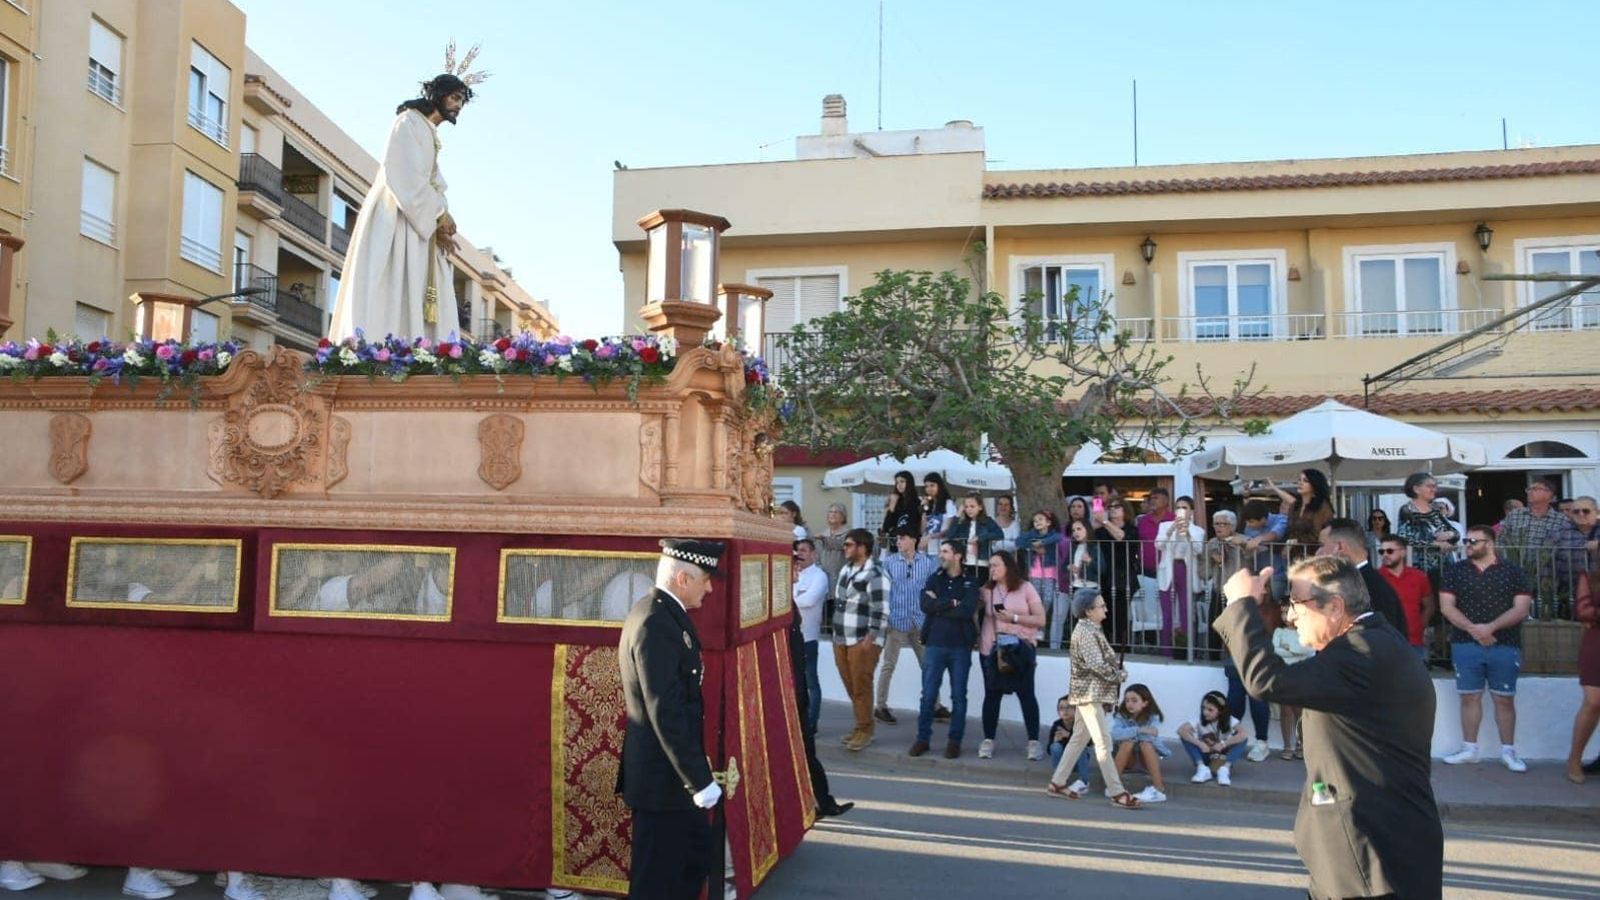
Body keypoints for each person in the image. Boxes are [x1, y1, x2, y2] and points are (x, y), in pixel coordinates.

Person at [1216, 558, 1442, 900]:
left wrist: (1240, 605)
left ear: (1335, 607)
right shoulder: (1371, 642)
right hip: (1364, 853)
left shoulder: (1361, 654)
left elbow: (1266, 680)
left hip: (1372, 857)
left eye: (1298, 605)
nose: (1291, 616)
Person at [329, 71, 476, 342]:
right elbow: (403, 173)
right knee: (392, 282)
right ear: (438, 95)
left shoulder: (428, 131)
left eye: (462, 102)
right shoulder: (407, 122)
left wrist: (442, 216)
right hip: (396, 216)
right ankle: (381, 346)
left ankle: (419, 348)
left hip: (419, 222)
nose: (458, 106)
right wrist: (437, 214)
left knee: (423, 284)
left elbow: (433, 183)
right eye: (455, 98)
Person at [617, 539, 725, 900]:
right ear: (683, 578)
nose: (709, 587)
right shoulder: (655, 622)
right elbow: (665, 711)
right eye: (705, 579)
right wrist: (699, 781)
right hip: (663, 782)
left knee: (690, 864)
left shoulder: (663, 614)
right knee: (656, 882)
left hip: (672, 780)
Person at [1438, 526, 1533, 772]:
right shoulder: (1454, 571)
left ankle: (1508, 751)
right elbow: (1447, 607)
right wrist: (1475, 630)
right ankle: (1469, 748)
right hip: (1465, 643)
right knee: (1469, 696)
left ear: (1489, 544)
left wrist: (1490, 627)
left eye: (1472, 541)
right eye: (1466, 540)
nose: (1467, 544)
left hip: (1505, 644)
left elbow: (1521, 608)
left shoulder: (1513, 572)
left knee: (1504, 699)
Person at [1044, 591, 1143, 809]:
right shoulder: (1087, 633)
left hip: (1088, 693)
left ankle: (1058, 782)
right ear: (1088, 611)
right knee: (1103, 743)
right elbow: (1096, 666)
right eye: (1101, 605)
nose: (1105, 609)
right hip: (1089, 695)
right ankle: (1117, 793)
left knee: (1079, 739)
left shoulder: (1089, 629)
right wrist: (1119, 675)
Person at [785, 564, 854, 819]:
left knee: (807, 752)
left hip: (796, 687)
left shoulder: (786, 601)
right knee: (801, 753)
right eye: (791, 568)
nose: (796, 572)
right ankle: (815, 805)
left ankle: (823, 803)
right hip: (790, 691)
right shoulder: (780, 604)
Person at [911, 540, 981, 759]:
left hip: (960, 646)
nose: (940, 555)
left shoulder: (971, 581)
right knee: (928, 695)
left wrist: (939, 605)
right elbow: (925, 605)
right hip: (935, 643)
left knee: (959, 696)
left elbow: (967, 610)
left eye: (945, 551)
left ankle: (954, 741)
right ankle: (922, 739)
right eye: (940, 550)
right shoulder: (935, 578)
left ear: (958, 555)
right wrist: (951, 603)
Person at [976, 551, 1046, 760]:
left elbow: (1041, 619)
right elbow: (970, 607)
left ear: (1007, 567)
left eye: (996, 565)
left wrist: (1014, 618)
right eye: (990, 566)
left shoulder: (1025, 588)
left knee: (1026, 694)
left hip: (1020, 649)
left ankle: (1033, 741)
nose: (992, 569)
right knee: (992, 694)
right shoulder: (987, 590)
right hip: (991, 649)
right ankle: (988, 739)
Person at [876, 529, 943, 725]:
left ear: (914, 539)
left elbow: (934, 587)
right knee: (889, 665)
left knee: (928, 666)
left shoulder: (927, 563)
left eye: (902, 537)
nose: (898, 541)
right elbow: (882, 590)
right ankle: (880, 706)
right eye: (897, 538)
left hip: (920, 620)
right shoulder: (889, 562)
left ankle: (935, 705)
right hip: (897, 620)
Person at [832, 529, 890, 750]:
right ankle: (860, 725)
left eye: (848, 544)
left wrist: (872, 636)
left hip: (862, 639)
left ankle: (866, 730)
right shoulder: (846, 569)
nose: (844, 548)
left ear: (862, 547)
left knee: (861, 685)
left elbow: (881, 609)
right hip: (842, 637)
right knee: (851, 685)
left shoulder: (876, 573)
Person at [1500, 479, 1586, 618]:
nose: (1529, 491)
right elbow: (1502, 540)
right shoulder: (1515, 515)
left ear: (1549, 494)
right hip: (1516, 574)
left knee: (1545, 615)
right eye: (1529, 489)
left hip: (1548, 577)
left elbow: (1566, 548)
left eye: (1535, 488)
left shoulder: (1561, 520)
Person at [1319, 518, 1407, 637]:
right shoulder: (1355, 582)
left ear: (1339, 547)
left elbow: (1386, 640)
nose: (1318, 553)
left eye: (1322, 545)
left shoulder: (1374, 588)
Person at [1155, 496, 1206, 655]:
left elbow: (1198, 550)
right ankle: (1167, 651)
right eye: (1178, 507)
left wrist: (1187, 533)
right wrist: (1172, 530)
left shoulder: (1198, 530)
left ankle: (1185, 651)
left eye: (1185, 507)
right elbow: (1159, 545)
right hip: (1168, 569)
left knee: (1186, 612)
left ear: (1191, 511)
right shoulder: (1165, 526)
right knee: (1167, 614)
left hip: (1185, 569)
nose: (1181, 510)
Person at [792, 538, 830, 733]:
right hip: (790, 637)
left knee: (810, 682)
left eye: (805, 550)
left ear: (813, 554)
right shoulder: (792, 574)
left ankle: (811, 722)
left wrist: (790, 600)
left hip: (808, 638)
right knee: (794, 682)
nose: (801, 554)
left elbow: (809, 600)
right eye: (798, 550)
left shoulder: (819, 576)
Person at [1378, 534, 1435, 660]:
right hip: (1383, 642)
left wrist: (1420, 626)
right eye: (1381, 551)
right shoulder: (1375, 578)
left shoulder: (1419, 577)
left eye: (1390, 551)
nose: (1385, 555)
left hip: (1413, 641)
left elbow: (1429, 606)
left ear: (1403, 552)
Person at [1568, 562, 1600, 783]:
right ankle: (1574, 760)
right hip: (1596, 644)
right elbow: (1583, 611)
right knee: (1593, 702)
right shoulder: (1589, 577)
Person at [1396, 472, 1459, 586]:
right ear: (1416, 489)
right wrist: (1434, 544)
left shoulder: (1435, 510)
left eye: (1435, 486)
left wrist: (1450, 535)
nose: (1434, 489)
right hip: (1421, 568)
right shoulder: (1407, 510)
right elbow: (1403, 538)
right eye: (1430, 486)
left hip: (1444, 567)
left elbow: (1456, 533)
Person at [1110, 684, 1169, 804]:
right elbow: (1115, 734)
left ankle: (1159, 789)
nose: (1129, 704)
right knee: (1127, 742)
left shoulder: (1153, 717)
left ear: (1145, 703)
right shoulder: (1121, 715)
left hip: (1145, 759)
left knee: (1145, 743)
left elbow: (1150, 737)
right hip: (1128, 760)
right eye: (1127, 700)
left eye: (1134, 700)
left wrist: (1129, 733)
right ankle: (1114, 788)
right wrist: (1139, 730)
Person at [1093, 499, 1139, 650]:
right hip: (1105, 577)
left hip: (1124, 578)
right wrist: (1097, 521)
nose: (1112, 509)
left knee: (1121, 615)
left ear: (1125, 510)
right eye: (1110, 507)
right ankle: (1105, 648)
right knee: (1104, 615)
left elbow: (1122, 537)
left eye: (1117, 506)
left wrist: (1105, 521)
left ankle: (1123, 649)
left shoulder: (1132, 529)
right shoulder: (1101, 530)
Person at [1179, 690, 1250, 786]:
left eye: (1210, 710)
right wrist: (1200, 744)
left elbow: (1244, 733)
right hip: (1206, 754)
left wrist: (1223, 744)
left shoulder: (1230, 720)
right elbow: (1181, 730)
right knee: (1185, 736)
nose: (1205, 712)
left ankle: (1225, 769)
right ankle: (1202, 768)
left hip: (1223, 755)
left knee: (1243, 739)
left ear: (1220, 711)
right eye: (1203, 708)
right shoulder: (1199, 720)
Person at [1017, 510, 1065, 648]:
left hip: (1050, 573)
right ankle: (1037, 629)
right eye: (1035, 520)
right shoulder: (1032, 533)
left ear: (1048, 523)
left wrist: (1042, 542)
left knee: (1048, 599)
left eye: (1040, 520)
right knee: (1035, 602)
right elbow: (1019, 540)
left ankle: (1040, 626)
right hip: (1035, 573)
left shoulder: (1052, 534)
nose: (1037, 522)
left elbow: (1058, 537)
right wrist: (1033, 546)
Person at [1134, 488, 1176, 638]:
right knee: (1149, 606)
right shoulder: (1143, 520)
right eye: (1151, 498)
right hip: (1147, 570)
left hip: (1169, 570)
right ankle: (1150, 640)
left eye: (1156, 498)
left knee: (1167, 606)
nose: (1152, 500)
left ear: (1166, 501)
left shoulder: (1174, 520)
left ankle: (1169, 638)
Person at [1272, 612, 1314, 760]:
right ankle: (1287, 746)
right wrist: (1297, 651)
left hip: (1301, 675)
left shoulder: (1305, 631)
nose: (1286, 616)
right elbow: (1275, 651)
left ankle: (1300, 744)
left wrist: (1289, 649)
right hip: (1284, 674)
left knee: (1299, 712)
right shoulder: (1279, 632)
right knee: (1286, 711)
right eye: (1282, 612)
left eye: (1288, 612)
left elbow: (1310, 651)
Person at [946, 493, 1004, 579]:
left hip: (982, 562)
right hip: (966, 561)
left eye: (972, 506)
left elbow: (999, 534)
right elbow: (950, 535)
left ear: (980, 507)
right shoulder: (963, 523)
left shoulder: (987, 521)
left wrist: (980, 538)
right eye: (966, 507)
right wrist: (957, 515)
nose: (969, 509)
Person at [1045, 696, 1095, 794]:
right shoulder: (1057, 724)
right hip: (1063, 761)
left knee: (1081, 748)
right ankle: (1058, 776)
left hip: (1077, 762)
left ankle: (1083, 782)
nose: (1065, 711)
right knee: (1055, 747)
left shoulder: (1080, 723)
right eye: (1061, 708)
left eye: (1069, 707)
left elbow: (1089, 743)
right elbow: (1048, 750)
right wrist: (1054, 741)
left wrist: (1068, 735)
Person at [1275, 469, 1334, 552]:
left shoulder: (1322, 506)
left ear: (1314, 484)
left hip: (1314, 553)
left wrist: (1297, 542)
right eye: (1299, 480)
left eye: (1305, 481)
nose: (1300, 483)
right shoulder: (1295, 505)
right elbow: (1290, 530)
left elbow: (1318, 533)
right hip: (1294, 553)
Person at [879, 470, 922, 546]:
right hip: (895, 542)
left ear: (909, 483)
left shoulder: (916, 502)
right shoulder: (895, 501)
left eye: (902, 481)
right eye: (897, 482)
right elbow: (886, 527)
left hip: (910, 543)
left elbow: (915, 523)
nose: (899, 485)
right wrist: (892, 505)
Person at [919, 474, 957, 556]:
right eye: (926, 486)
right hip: (927, 549)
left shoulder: (948, 503)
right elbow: (923, 529)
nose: (929, 489)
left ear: (939, 486)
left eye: (932, 485)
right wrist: (923, 510)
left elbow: (950, 528)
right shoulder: (929, 505)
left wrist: (931, 536)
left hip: (941, 548)